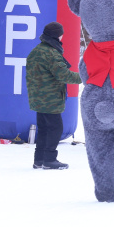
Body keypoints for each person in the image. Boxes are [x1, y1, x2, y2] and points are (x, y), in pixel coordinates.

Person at [25, 21, 82, 170]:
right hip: (50, 99)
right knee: (56, 128)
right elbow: (64, 75)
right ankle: (49, 160)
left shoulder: (36, 51)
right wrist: (86, 76)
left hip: (38, 98)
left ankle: (39, 160)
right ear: (57, 35)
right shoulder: (51, 53)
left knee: (44, 129)